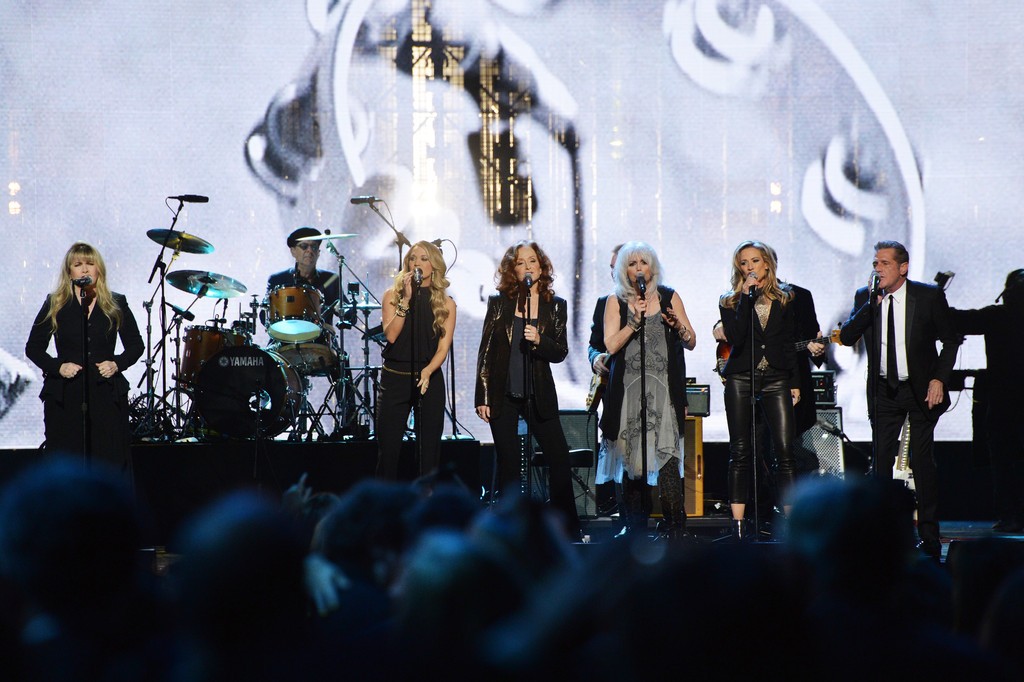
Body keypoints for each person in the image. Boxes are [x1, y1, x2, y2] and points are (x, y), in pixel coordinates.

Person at [838, 240, 961, 559]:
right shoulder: (867, 298)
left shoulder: (927, 296)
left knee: (922, 462)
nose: (877, 269)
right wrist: (870, 307)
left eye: (884, 263)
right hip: (883, 390)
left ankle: (930, 535)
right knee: (881, 463)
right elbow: (848, 337)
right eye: (875, 263)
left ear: (903, 267)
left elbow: (950, 340)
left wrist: (939, 379)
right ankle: (885, 533)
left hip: (920, 388)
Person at [475, 240, 580, 537]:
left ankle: (567, 529)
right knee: (510, 464)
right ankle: (511, 531)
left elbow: (560, 351)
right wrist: (482, 395)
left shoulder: (555, 306)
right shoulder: (500, 304)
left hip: (539, 393)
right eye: (520, 262)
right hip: (503, 392)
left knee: (558, 459)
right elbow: (485, 351)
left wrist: (539, 341)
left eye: (532, 261)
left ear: (541, 266)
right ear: (513, 270)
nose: (527, 266)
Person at [599, 241, 695, 539]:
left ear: (652, 266)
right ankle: (635, 528)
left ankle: (675, 527)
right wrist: (635, 322)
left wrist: (678, 325)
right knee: (632, 463)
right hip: (627, 393)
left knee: (667, 462)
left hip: (664, 392)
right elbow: (611, 345)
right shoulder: (615, 301)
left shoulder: (669, 296)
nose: (638, 268)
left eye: (643, 262)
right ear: (623, 270)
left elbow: (691, 341)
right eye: (631, 263)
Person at [24, 242, 144, 470]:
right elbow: (34, 347)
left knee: (108, 461)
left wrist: (117, 363)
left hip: (105, 394)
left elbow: (136, 345)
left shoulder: (116, 303)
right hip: (65, 395)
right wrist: (58, 366)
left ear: (99, 269)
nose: (85, 270)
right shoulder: (56, 303)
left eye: (90, 264)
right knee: (66, 462)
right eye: (78, 265)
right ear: (69, 272)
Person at [719, 240, 800, 539]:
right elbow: (738, 336)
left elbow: (787, 342)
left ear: (767, 263)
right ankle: (738, 525)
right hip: (741, 378)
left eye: (755, 261)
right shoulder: (729, 300)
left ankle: (790, 525)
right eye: (744, 262)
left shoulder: (785, 297)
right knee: (740, 451)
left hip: (777, 377)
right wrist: (743, 299)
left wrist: (794, 382)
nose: (750, 267)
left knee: (784, 452)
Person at [949, 268, 1024, 532]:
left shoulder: (997, 316)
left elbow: (959, 319)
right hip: (1006, 402)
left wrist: (934, 297)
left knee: (1004, 462)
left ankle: (1010, 516)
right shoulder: (997, 316)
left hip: (1004, 402)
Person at [376, 241, 456, 480]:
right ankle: (385, 507)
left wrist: (428, 371)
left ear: (434, 265)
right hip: (395, 379)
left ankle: (426, 503)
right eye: (413, 258)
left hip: (428, 379)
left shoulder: (446, 304)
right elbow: (391, 336)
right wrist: (406, 301)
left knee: (428, 454)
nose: (417, 263)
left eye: (423, 258)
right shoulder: (393, 296)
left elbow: (443, 348)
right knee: (388, 451)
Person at [587, 243, 623, 516]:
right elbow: (594, 344)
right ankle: (614, 510)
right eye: (611, 268)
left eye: (618, 266)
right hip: (613, 391)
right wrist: (596, 357)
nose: (614, 273)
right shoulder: (604, 303)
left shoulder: (656, 300)